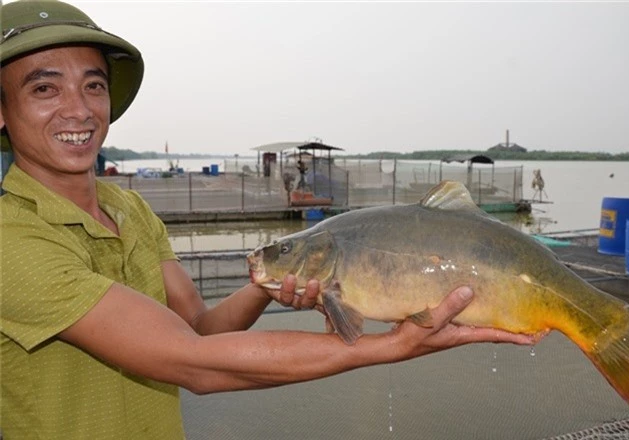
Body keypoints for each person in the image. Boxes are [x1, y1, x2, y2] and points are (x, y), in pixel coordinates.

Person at [0, 1, 534, 438]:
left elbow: (200, 328)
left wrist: (268, 284)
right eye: (44, 88)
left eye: (93, 86)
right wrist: (392, 345)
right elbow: (196, 362)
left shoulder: (130, 209)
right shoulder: (9, 240)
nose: (79, 108)